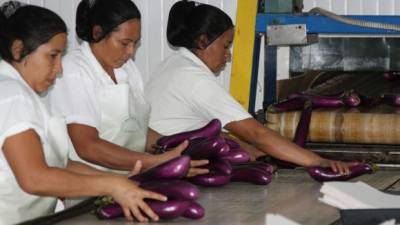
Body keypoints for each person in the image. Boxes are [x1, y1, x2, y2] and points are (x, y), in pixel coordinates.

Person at [0, 2, 166, 224]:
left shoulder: (23, 94)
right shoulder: (12, 94)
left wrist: (119, 180)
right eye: (53, 55)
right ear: (19, 49)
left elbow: (62, 164)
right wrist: (110, 184)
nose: (59, 69)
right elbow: (34, 178)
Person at [145, 1, 351, 173]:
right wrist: (317, 161)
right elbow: (257, 134)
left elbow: (194, 129)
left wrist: (247, 148)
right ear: (203, 41)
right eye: (225, 45)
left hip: (158, 160)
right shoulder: (195, 79)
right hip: (166, 166)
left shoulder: (173, 65)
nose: (228, 55)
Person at [47, 0, 208, 174]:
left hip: (127, 178)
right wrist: (154, 162)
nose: (131, 52)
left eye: (135, 44)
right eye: (124, 43)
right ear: (97, 33)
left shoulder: (127, 69)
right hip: (85, 187)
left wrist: (175, 149)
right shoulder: (74, 70)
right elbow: (88, 146)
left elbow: (136, 129)